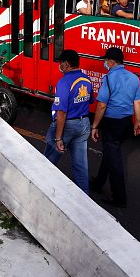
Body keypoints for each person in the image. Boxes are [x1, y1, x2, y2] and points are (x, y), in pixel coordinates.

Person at [89, 47, 140, 208]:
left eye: (106, 61)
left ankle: (119, 197)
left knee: (115, 160)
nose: (105, 63)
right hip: (126, 122)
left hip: (112, 122)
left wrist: (95, 126)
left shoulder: (109, 79)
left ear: (111, 62)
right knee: (110, 153)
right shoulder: (134, 78)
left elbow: (101, 105)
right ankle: (98, 183)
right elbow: (137, 102)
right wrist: (138, 121)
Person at [43, 50, 92, 194]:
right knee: (80, 165)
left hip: (67, 126)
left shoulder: (64, 81)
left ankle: (42, 190)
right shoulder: (86, 79)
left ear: (67, 64)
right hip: (84, 124)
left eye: (60, 62)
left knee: (48, 161)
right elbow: (89, 101)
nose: (59, 65)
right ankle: (84, 197)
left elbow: (62, 112)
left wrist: (58, 137)